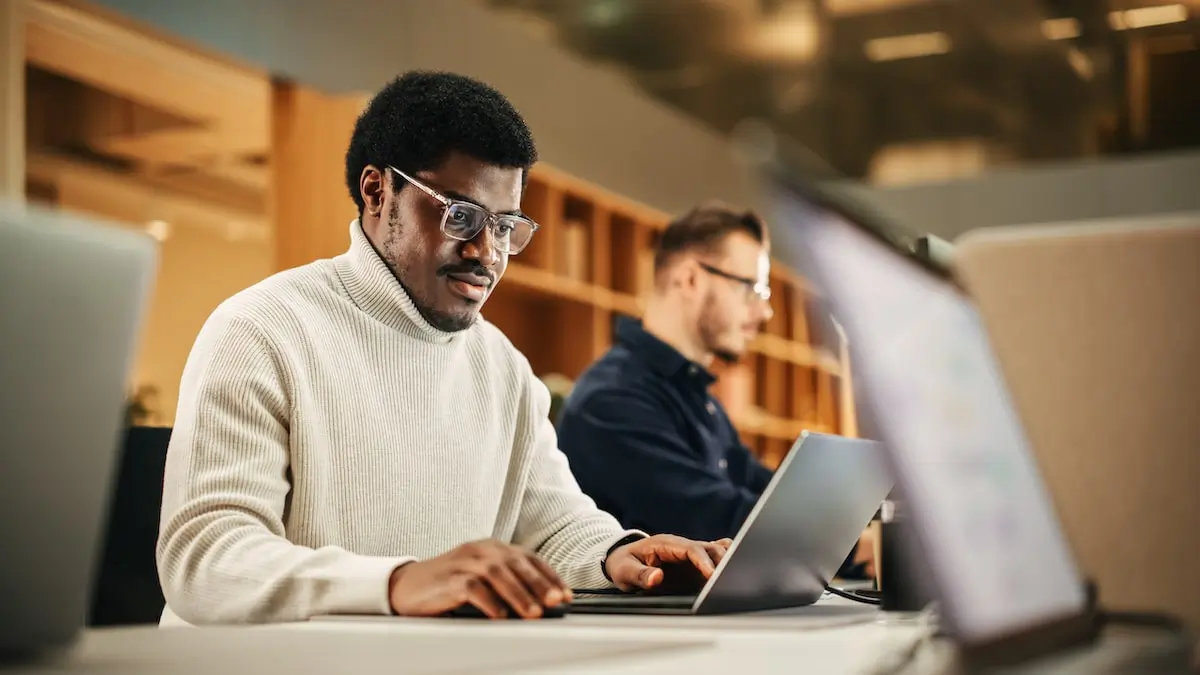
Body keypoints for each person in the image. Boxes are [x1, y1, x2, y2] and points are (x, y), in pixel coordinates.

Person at [156, 71, 729, 626]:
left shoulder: (502, 367)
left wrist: (620, 555)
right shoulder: (262, 331)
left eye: (505, 226)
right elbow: (205, 559)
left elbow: (551, 525)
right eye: (461, 215)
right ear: (378, 192)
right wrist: (398, 583)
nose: (488, 253)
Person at [556, 204, 875, 578]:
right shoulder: (611, 400)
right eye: (751, 289)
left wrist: (859, 526)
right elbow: (713, 517)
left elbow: (769, 493)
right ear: (690, 279)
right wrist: (857, 548)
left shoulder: (698, 398)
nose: (765, 312)